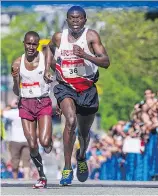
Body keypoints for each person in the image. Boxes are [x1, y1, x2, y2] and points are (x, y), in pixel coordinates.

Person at [44, 6, 110, 186]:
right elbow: (48, 50)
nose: (75, 21)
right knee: (70, 121)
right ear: (67, 20)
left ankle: (81, 156)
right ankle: (67, 167)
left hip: (87, 88)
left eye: (79, 18)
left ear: (84, 20)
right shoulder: (59, 37)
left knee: (84, 132)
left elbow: (106, 62)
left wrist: (86, 55)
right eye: (72, 18)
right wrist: (48, 69)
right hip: (66, 86)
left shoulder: (91, 36)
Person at [11, 31, 53, 188]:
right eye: (28, 43)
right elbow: (16, 91)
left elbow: (56, 71)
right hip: (26, 104)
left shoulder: (44, 58)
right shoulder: (17, 63)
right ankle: (42, 175)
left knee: (44, 141)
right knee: (32, 143)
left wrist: (50, 75)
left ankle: (49, 141)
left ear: (38, 44)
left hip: (43, 102)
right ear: (23, 43)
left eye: (34, 44)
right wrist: (16, 80)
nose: (31, 47)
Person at [2, 100, 31, 180]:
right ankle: (27, 178)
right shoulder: (28, 112)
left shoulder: (12, 112)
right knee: (26, 161)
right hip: (27, 140)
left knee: (15, 161)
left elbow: (2, 113)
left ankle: (15, 179)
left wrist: (10, 105)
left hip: (14, 140)